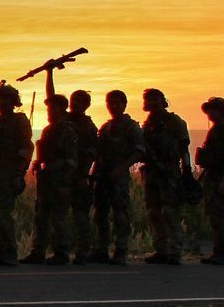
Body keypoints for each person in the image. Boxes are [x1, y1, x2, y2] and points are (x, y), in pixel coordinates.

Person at [44, 66, 98, 265]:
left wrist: (84, 175)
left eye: (80, 102)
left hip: (79, 175)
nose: (76, 104)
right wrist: (49, 73)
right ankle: (62, 251)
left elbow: (92, 152)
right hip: (63, 175)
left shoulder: (88, 126)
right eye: (74, 100)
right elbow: (52, 98)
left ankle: (83, 251)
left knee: (80, 214)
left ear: (87, 105)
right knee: (59, 214)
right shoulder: (64, 119)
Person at [0, 82, 33, 266]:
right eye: (0, 98)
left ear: (13, 101)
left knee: (2, 215)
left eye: (6, 99)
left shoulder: (19, 121)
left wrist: (19, 173)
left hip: (7, 176)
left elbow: (26, 148)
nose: (2, 102)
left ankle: (10, 253)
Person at [20, 94, 78, 265]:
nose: (50, 111)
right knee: (41, 217)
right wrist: (38, 163)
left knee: (58, 218)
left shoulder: (67, 131)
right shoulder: (49, 130)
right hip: (47, 180)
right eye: (49, 108)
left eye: (53, 108)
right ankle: (38, 251)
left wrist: (65, 182)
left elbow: (71, 160)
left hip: (59, 179)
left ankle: (61, 252)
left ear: (61, 109)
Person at [90, 90, 145, 265]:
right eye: (110, 103)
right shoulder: (106, 127)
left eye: (116, 103)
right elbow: (99, 153)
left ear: (124, 104)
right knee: (101, 214)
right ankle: (101, 249)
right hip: (103, 175)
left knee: (120, 213)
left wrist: (121, 169)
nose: (113, 107)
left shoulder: (131, 126)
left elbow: (139, 151)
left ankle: (121, 250)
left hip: (118, 176)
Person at [140, 88, 191, 265]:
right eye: (149, 99)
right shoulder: (147, 124)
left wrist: (187, 171)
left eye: (155, 99)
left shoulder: (173, 121)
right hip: (152, 172)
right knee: (154, 211)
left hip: (169, 170)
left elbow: (184, 147)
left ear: (163, 100)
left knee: (169, 211)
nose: (152, 103)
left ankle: (175, 250)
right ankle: (161, 249)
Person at [195, 97, 224, 265]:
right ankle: (218, 251)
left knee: (219, 215)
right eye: (209, 110)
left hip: (220, 177)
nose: (210, 113)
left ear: (222, 112)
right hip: (212, 176)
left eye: (214, 110)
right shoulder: (215, 130)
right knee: (214, 215)